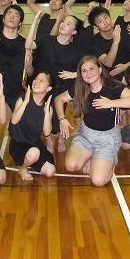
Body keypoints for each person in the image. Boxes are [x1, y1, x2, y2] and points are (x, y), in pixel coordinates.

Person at [54, 55, 130, 187]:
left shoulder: (113, 86)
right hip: (86, 134)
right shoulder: (80, 87)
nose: (88, 73)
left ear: (100, 69)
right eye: (84, 71)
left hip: (107, 138)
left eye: (92, 69)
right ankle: (90, 156)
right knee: (71, 165)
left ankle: (110, 163)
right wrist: (62, 119)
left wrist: (111, 103)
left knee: (98, 181)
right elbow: (59, 99)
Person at [26, 9, 81, 153]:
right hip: (44, 86)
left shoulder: (75, 51)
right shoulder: (47, 40)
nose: (63, 24)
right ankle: (49, 140)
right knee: (44, 115)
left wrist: (72, 74)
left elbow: (86, 70)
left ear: (74, 31)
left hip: (62, 88)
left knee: (59, 116)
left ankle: (61, 139)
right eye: (63, 21)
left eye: (68, 23)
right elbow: (28, 45)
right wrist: (34, 22)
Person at [0, 4, 31, 113]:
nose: (12, 17)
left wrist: (29, 64)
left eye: (16, 15)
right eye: (9, 14)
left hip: (15, 92)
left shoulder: (25, 44)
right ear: (3, 19)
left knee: (14, 122)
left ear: (20, 23)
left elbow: (30, 72)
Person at [9, 72, 56, 181]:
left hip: (35, 143)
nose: (36, 82)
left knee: (50, 171)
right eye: (36, 79)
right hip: (18, 143)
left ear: (48, 88)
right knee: (34, 153)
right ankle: (22, 168)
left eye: (41, 81)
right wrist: (25, 102)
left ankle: (30, 160)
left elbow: (47, 132)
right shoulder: (22, 99)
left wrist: (47, 114)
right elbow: (14, 120)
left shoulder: (48, 108)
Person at [88, 6, 130, 77]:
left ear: (110, 17)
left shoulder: (122, 32)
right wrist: (115, 42)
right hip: (109, 76)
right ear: (96, 27)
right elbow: (108, 63)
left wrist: (125, 66)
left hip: (128, 73)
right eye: (100, 21)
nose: (105, 22)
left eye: (106, 17)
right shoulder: (94, 42)